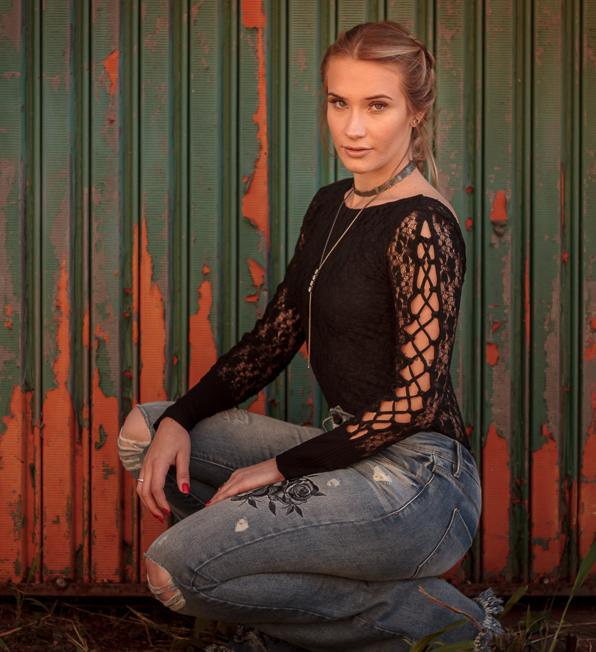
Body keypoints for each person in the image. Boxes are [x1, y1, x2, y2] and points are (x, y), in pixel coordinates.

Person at [117, 20, 502, 652]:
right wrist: (182, 417)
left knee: (173, 570)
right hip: (348, 450)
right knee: (145, 432)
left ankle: (446, 624)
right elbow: (275, 337)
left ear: (416, 111)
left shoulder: (423, 225)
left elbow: (413, 403)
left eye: (377, 106)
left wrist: (278, 468)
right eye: (339, 102)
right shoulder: (330, 204)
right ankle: (320, 635)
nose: (353, 127)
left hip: (421, 483)